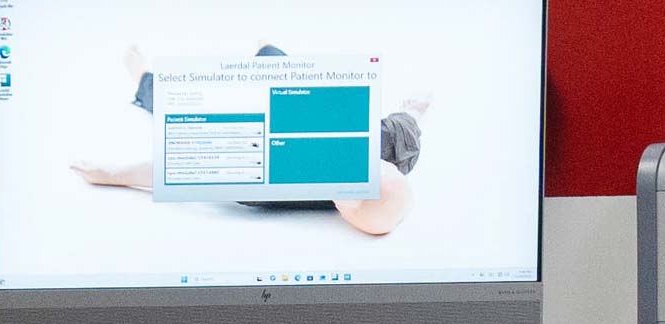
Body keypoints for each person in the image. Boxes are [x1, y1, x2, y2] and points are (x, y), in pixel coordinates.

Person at [71, 44, 431, 236]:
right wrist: (414, 109)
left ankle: (142, 76)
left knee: (175, 106)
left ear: (341, 206)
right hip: (300, 102)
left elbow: (178, 170)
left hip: (258, 122)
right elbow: (407, 125)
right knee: (271, 57)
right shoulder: (393, 146)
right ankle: (265, 52)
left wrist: (114, 175)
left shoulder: (261, 182)